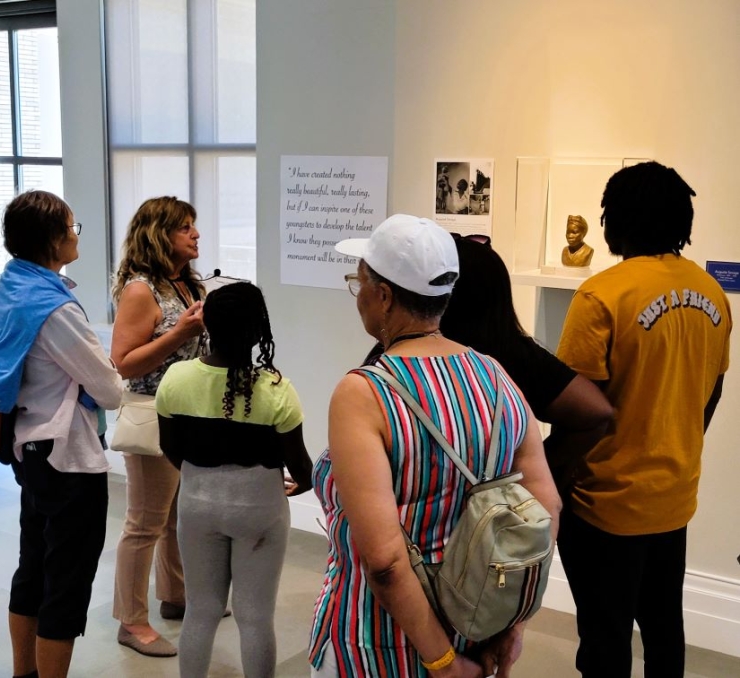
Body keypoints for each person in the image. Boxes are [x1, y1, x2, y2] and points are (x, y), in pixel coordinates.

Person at [308, 214, 561, 678]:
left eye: (358, 281)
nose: (357, 294)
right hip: (475, 629)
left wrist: (444, 666)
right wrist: (513, 624)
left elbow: (384, 562)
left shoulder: (364, 394)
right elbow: (546, 503)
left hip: (376, 644)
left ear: (383, 297)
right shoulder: (495, 375)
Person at [554, 161, 732, 678]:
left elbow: (577, 413)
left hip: (605, 503)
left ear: (614, 220)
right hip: (673, 497)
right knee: (663, 628)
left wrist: (549, 481)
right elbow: (711, 393)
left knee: (605, 638)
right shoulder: (713, 295)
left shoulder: (602, 295)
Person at [0, 190, 123, 678]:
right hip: (68, 457)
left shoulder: (13, 288)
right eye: (72, 227)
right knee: (67, 583)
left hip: (28, 449)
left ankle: (24, 673)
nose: (75, 235)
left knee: (33, 568)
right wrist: (101, 371)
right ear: (52, 238)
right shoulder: (55, 309)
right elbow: (110, 390)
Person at [156, 281, 314, 678]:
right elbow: (302, 469)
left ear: (206, 324)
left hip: (197, 506)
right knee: (255, 617)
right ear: (260, 331)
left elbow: (171, 449)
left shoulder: (175, 379)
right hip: (260, 510)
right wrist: (303, 485)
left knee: (201, 611)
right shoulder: (278, 391)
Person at [111, 196, 209, 657]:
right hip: (152, 413)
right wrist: (178, 335)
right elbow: (124, 364)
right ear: (159, 234)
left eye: (194, 226)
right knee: (145, 523)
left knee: (177, 514)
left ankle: (176, 596)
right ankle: (131, 622)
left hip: (186, 414)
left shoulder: (186, 283)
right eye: (185, 227)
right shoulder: (140, 290)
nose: (195, 234)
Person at [439, 234, 613, 486]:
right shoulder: (515, 352)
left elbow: (596, 411)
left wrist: (532, 471)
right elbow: (596, 411)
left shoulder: (507, 355)